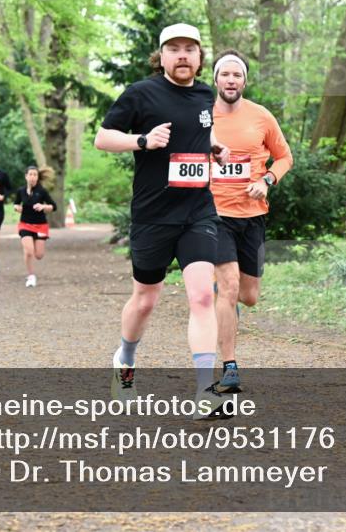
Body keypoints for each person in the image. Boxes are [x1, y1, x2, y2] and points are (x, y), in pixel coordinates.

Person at [94, 23, 234, 420]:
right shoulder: (141, 93)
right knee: (146, 299)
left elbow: (196, 136)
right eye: (174, 49)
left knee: (203, 296)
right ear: (162, 57)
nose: (183, 55)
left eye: (191, 48)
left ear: (200, 56)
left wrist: (215, 149)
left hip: (198, 212)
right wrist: (142, 140)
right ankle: (124, 361)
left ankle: (206, 392)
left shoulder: (207, 95)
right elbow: (102, 138)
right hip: (153, 216)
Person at [209, 50, 293, 392]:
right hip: (214, 215)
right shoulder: (201, 115)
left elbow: (285, 157)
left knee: (249, 295)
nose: (231, 80)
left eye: (237, 75)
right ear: (215, 79)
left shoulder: (261, 116)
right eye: (225, 74)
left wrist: (267, 181)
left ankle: (221, 296)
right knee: (229, 288)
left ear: (244, 80)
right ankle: (229, 366)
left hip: (253, 217)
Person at [14, 166, 56, 288]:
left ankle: (29, 248)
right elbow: (16, 203)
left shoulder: (42, 191)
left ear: (37, 177)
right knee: (29, 252)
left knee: (39, 255)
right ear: (26, 176)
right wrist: (16, 208)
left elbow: (53, 206)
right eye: (30, 174)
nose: (33, 177)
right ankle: (31, 276)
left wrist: (44, 207)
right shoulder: (21, 191)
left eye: (35, 175)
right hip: (25, 224)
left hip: (41, 226)